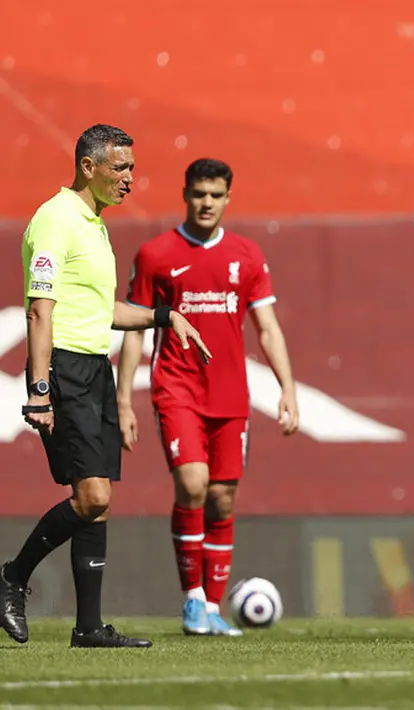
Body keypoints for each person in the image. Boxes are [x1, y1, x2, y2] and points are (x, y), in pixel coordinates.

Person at [1, 124, 210, 648]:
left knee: (98, 499)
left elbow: (104, 310)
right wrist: (40, 389)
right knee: (91, 496)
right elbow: (39, 309)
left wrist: (165, 316)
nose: (129, 180)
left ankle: (89, 627)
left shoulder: (94, 224)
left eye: (132, 170)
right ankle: (12, 577)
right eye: (120, 169)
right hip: (65, 370)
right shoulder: (55, 220)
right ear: (88, 167)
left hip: (95, 368)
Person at [116, 158, 299, 637]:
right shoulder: (156, 254)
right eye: (199, 193)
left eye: (216, 195)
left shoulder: (247, 256)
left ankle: (214, 607)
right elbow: (134, 329)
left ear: (228, 198)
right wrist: (122, 401)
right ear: (186, 194)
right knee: (193, 484)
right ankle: (193, 600)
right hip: (176, 389)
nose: (206, 203)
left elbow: (268, 328)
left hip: (230, 396)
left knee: (221, 498)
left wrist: (288, 389)